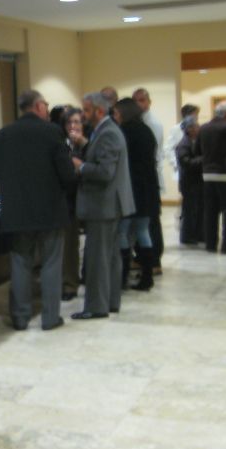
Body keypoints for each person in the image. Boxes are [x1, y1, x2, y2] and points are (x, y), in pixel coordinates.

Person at [0, 89, 76, 331]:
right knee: (51, 264)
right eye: (45, 105)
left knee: (20, 263)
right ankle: (50, 317)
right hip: (50, 211)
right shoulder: (52, 133)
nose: (47, 109)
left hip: (16, 212)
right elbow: (67, 174)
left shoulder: (1, 136)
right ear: (38, 107)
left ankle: (20, 316)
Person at [71, 92, 135, 319]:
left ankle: (96, 307)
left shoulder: (108, 133)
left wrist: (80, 166)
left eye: (86, 110)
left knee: (98, 258)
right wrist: (85, 144)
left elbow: (104, 172)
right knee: (110, 256)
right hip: (109, 205)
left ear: (99, 111)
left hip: (103, 205)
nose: (83, 114)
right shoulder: (105, 131)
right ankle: (110, 301)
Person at [114, 97, 159, 291]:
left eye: (116, 113)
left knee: (123, 231)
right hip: (147, 187)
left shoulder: (123, 132)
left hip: (130, 188)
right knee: (142, 231)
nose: (115, 116)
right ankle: (147, 276)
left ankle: (122, 276)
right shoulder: (146, 131)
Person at [194, 100, 226, 254]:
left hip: (208, 174)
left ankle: (210, 244)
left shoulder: (204, 128)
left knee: (210, 212)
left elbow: (197, 150)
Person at [132, 88, 165, 275]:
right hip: (140, 179)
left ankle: (154, 260)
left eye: (142, 100)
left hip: (149, 178)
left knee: (151, 221)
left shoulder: (152, 124)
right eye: (136, 100)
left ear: (149, 102)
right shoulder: (138, 122)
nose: (139, 104)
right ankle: (141, 257)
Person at [61, 107, 87, 301]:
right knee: (69, 244)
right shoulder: (61, 145)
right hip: (68, 201)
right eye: (69, 122)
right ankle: (69, 284)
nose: (73, 126)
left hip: (88, 198)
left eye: (76, 122)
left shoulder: (89, 143)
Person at [175, 116, 203, 245]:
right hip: (189, 182)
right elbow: (186, 162)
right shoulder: (184, 144)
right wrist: (203, 159)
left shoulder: (194, 142)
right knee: (189, 210)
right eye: (196, 126)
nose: (198, 128)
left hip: (195, 181)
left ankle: (197, 234)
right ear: (189, 129)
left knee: (197, 209)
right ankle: (187, 236)